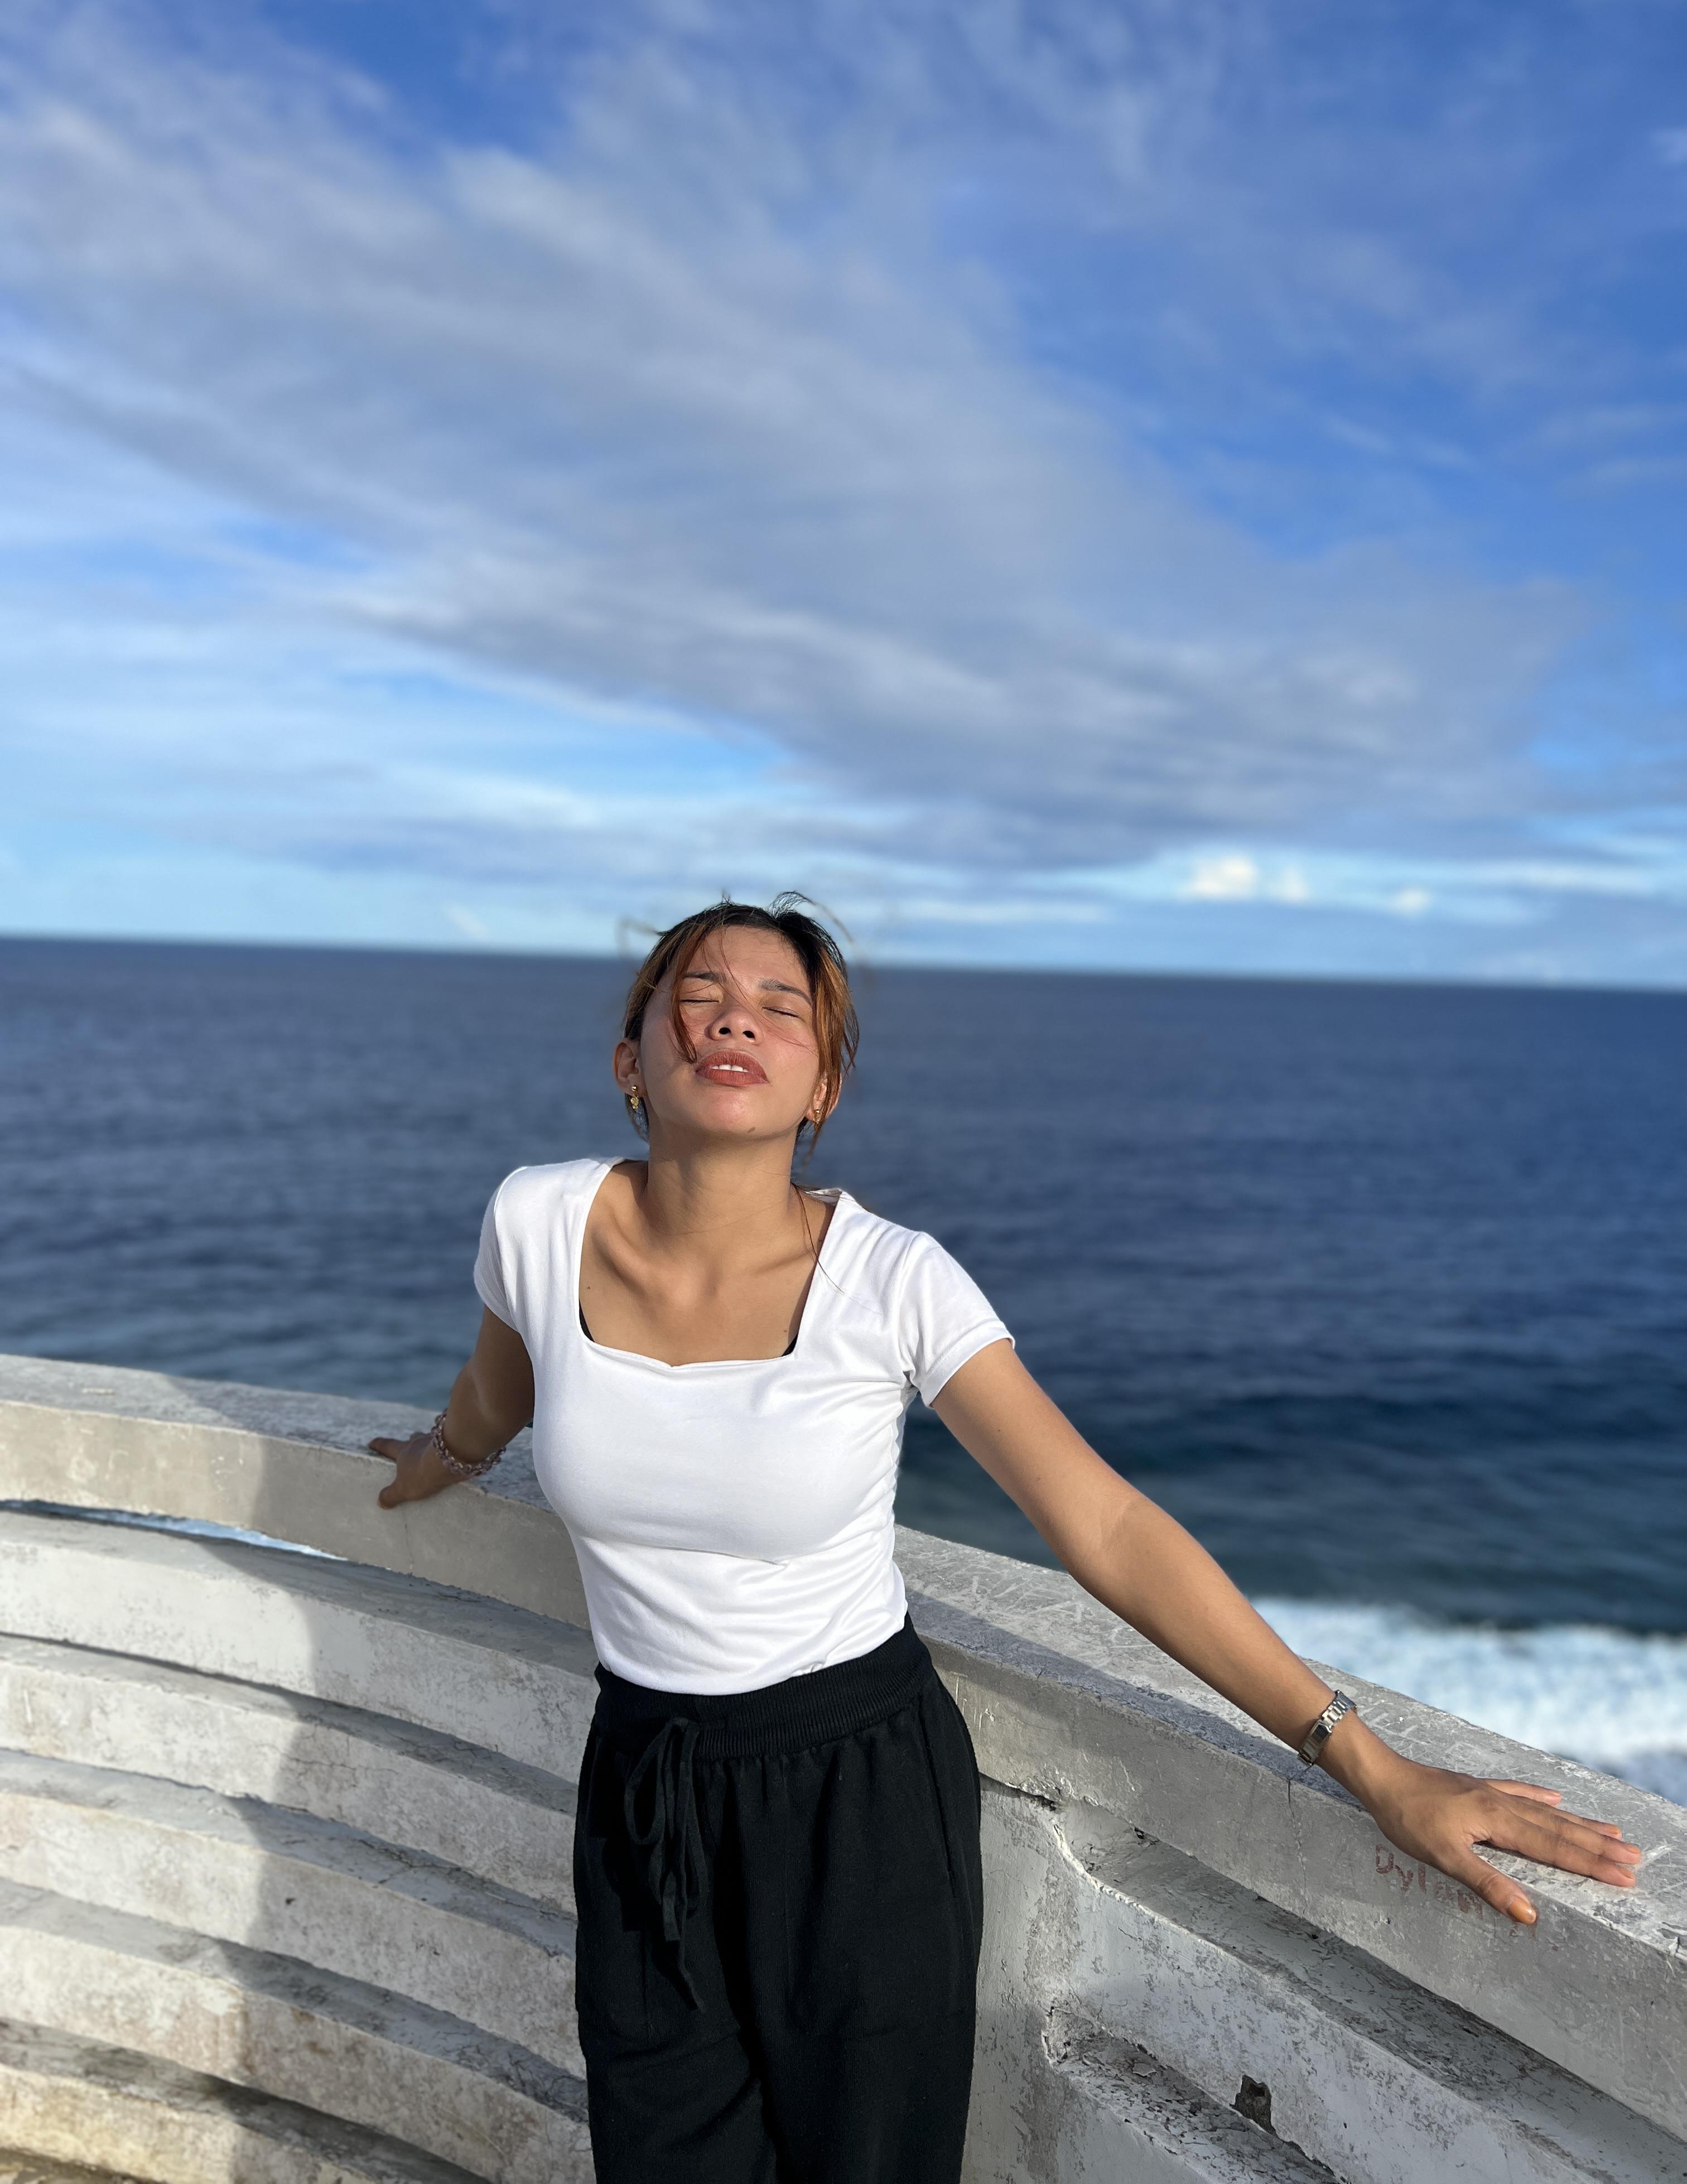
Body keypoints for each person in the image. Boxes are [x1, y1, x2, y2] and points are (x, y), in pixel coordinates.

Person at [369, 894, 1642, 2184]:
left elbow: (1106, 1522)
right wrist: (446, 1458)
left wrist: (1368, 1763)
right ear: (631, 1059)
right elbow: (502, 1384)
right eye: (698, 997)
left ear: (824, 1087)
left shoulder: (892, 1279)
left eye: (779, 1008)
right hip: (645, 1781)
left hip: (856, 1798)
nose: (735, 1021)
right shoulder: (539, 1220)